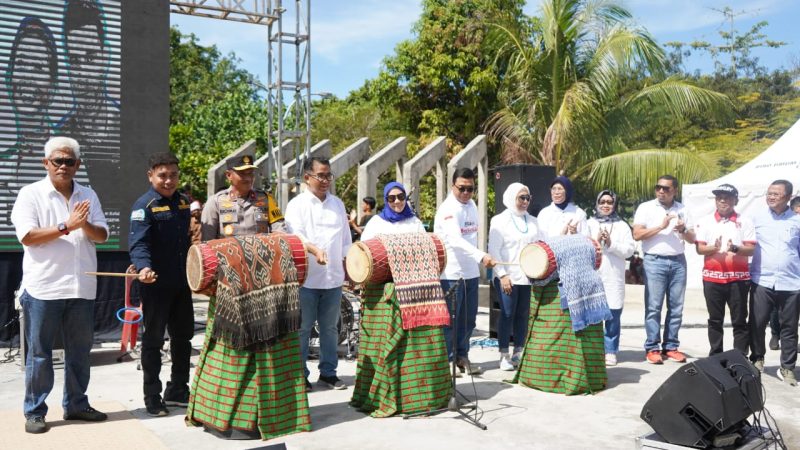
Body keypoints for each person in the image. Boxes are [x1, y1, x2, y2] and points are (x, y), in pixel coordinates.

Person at [11, 136, 109, 434]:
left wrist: (83, 224)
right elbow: (28, 236)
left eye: (69, 161)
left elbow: (102, 235)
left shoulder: (88, 194)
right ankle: (35, 411)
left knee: (79, 352)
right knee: (40, 354)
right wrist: (67, 225)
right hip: (44, 287)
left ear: (78, 164)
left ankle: (76, 404)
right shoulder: (30, 194)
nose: (63, 166)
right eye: (57, 161)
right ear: (46, 163)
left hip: (81, 286)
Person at [350, 181, 450, 417]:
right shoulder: (376, 223)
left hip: (416, 290)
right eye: (392, 198)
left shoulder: (415, 222)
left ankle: (423, 395)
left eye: (401, 197)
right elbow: (366, 255)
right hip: (384, 291)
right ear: (385, 200)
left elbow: (426, 250)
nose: (397, 202)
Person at [128, 153, 194, 417]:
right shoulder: (143, 206)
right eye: (162, 176)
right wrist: (143, 267)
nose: (169, 181)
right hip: (154, 283)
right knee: (153, 341)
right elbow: (139, 244)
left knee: (183, 338)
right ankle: (152, 396)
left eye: (173, 175)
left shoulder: (183, 202)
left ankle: (178, 389)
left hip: (182, 283)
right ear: (151, 176)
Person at [285, 157, 352, 389]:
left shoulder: (337, 204)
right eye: (321, 176)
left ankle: (328, 373)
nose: (325, 180)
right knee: (302, 329)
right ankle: (300, 376)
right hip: (306, 280)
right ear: (307, 177)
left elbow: (346, 241)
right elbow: (296, 238)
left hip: (333, 278)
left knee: (331, 329)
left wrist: (349, 270)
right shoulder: (297, 205)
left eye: (328, 176)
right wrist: (315, 250)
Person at [1, 17, 60, 239]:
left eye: (38, 67)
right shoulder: (5, 163)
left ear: (53, 83)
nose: (27, 77)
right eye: (21, 64)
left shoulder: (71, 167)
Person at [57, 0, 121, 201]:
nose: (83, 73)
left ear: (105, 56)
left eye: (90, 57)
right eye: (75, 61)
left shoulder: (127, 129)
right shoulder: (60, 137)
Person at [434, 168, 496, 374]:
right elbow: (455, 240)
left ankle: (462, 356)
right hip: (451, 274)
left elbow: (472, 238)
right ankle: (448, 361)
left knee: (469, 320)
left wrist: (478, 259)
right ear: (453, 186)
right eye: (462, 188)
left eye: (470, 189)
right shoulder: (448, 209)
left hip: (471, 273)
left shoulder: (472, 205)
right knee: (450, 320)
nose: (466, 193)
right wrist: (481, 256)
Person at [633, 175, 694, 365]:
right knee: (654, 307)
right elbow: (637, 234)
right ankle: (652, 347)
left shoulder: (683, 209)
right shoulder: (646, 207)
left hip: (678, 261)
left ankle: (671, 346)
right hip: (654, 260)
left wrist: (683, 230)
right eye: (658, 187)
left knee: (676, 307)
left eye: (666, 188)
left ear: (675, 190)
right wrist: (661, 226)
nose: (661, 191)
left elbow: (693, 239)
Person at [693, 184, 755, 357]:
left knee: (739, 320)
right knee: (715, 320)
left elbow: (751, 249)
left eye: (727, 197)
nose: (722, 201)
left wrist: (735, 248)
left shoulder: (745, 221)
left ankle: (740, 357)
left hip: (738, 279)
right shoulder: (705, 221)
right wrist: (714, 248)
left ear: (735, 200)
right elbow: (700, 249)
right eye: (719, 197)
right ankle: (716, 356)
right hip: (712, 279)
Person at [748, 180, 800, 386]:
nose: (771, 197)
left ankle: (787, 367)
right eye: (769, 193)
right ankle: (757, 358)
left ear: (788, 197)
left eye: (776, 194)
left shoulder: (797, 221)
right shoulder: (756, 218)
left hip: (791, 282)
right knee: (757, 323)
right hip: (762, 280)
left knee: (789, 328)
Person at [488, 183, 540, 370]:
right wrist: (502, 275)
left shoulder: (533, 221)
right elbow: (494, 250)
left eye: (528, 198)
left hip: (527, 276)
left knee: (522, 314)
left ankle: (519, 352)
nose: (525, 201)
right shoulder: (500, 220)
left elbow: (540, 245)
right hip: (507, 276)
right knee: (507, 313)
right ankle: (504, 355)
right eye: (521, 198)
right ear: (511, 197)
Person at [587, 190, 635, 367]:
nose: (606, 205)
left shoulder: (622, 226)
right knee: (593, 314)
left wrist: (611, 243)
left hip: (614, 276)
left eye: (609, 202)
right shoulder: (589, 223)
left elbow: (629, 250)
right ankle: (594, 349)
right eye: (602, 202)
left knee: (613, 314)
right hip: (594, 275)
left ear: (614, 204)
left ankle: (610, 350)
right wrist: (596, 240)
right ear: (597, 204)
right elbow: (582, 247)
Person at [201, 155, 286, 240]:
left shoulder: (266, 199)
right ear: (229, 175)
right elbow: (207, 241)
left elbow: (280, 232)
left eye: (250, 173)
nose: (248, 178)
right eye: (242, 174)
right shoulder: (215, 203)